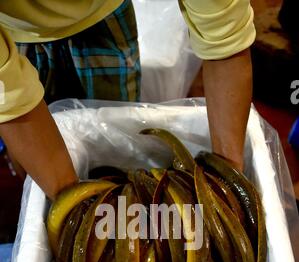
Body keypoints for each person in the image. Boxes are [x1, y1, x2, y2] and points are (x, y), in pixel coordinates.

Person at [0, 0, 255, 200]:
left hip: (104, 15)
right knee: (33, 171)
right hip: (13, 34)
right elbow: (10, 100)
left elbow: (225, 38)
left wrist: (227, 176)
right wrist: (74, 203)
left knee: (113, 142)